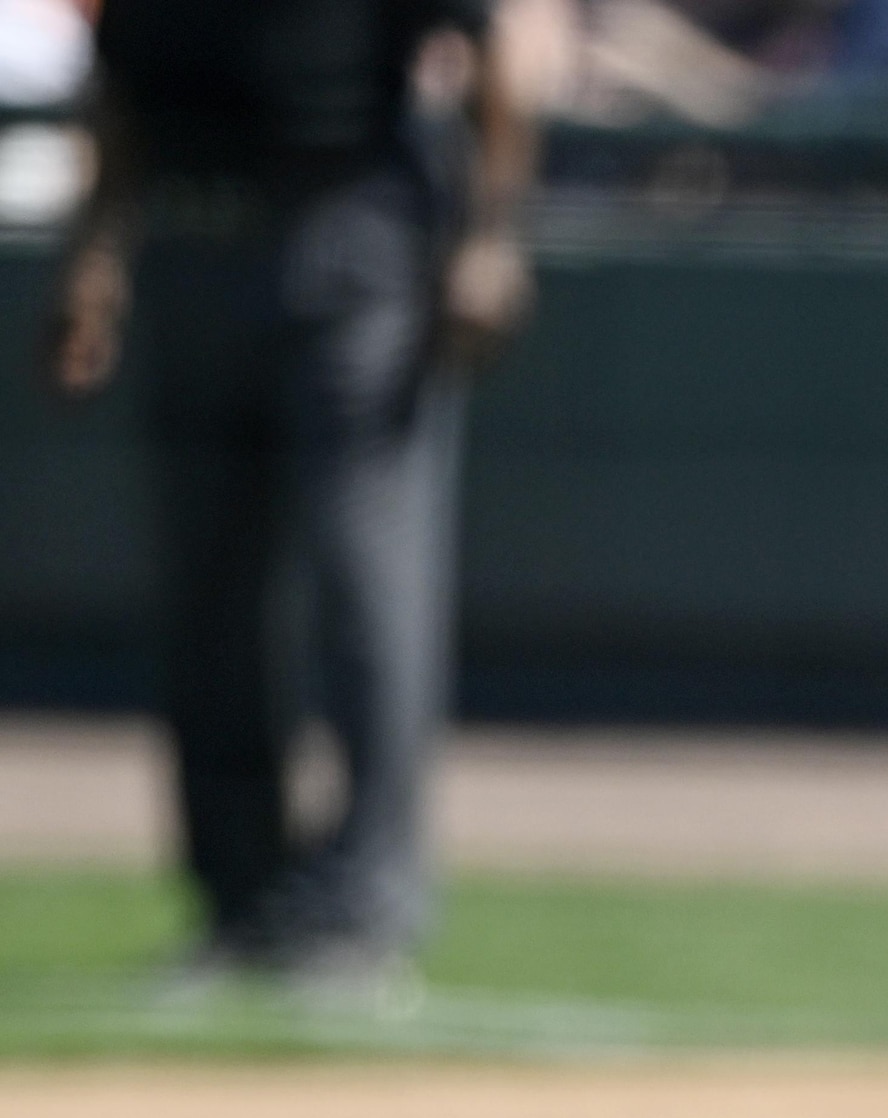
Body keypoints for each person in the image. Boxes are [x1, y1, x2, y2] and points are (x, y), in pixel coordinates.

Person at [42, 0, 543, 1002]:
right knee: (208, 600)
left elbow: (494, 65)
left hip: (352, 236)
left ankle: (363, 909)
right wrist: (98, 254)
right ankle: (241, 903)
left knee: (368, 587)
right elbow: (117, 87)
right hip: (190, 238)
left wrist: (492, 237)